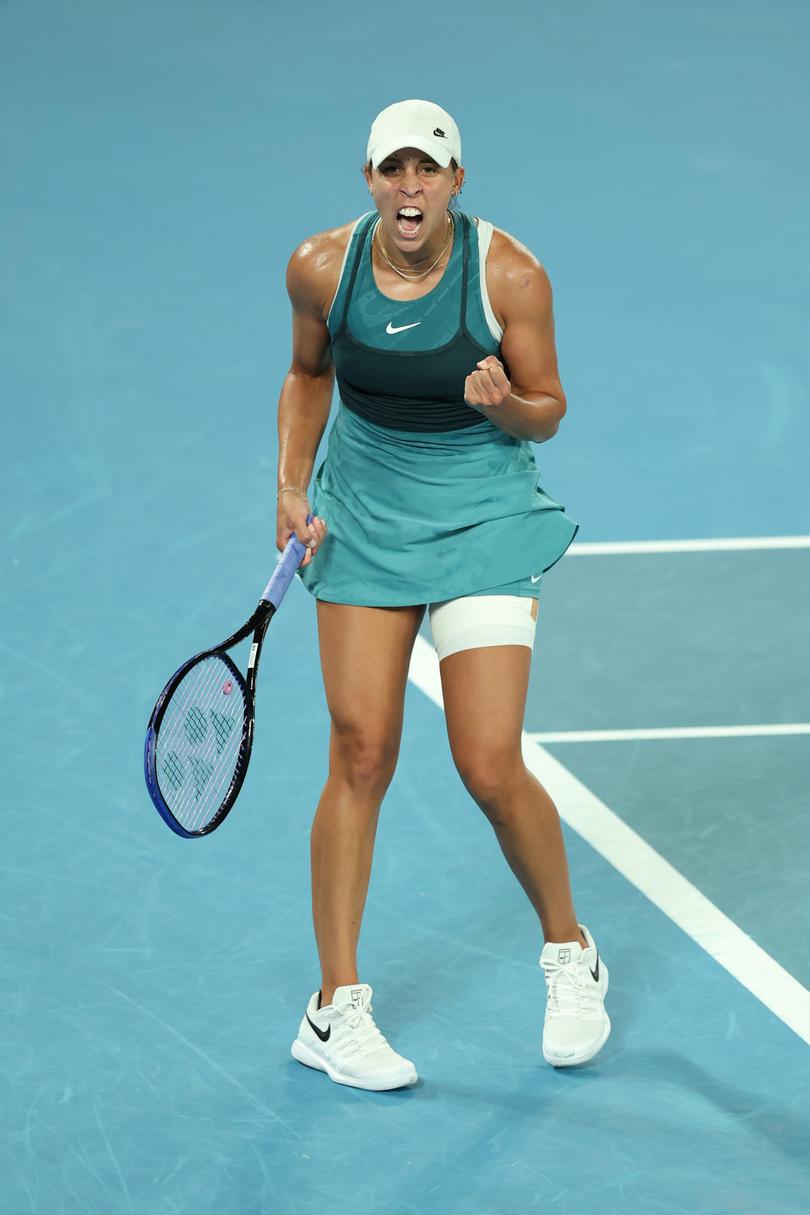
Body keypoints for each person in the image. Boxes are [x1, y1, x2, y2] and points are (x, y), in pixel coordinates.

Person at [275, 99, 610, 1091]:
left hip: (481, 520)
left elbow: (549, 410)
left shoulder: (510, 274)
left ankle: (570, 952)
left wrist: (511, 404)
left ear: (457, 181)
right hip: (367, 518)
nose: (410, 186)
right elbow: (306, 374)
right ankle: (334, 1011)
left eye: (429, 170)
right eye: (393, 170)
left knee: (489, 765)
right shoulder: (320, 268)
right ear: (369, 178)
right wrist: (291, 483)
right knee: (361, 751)